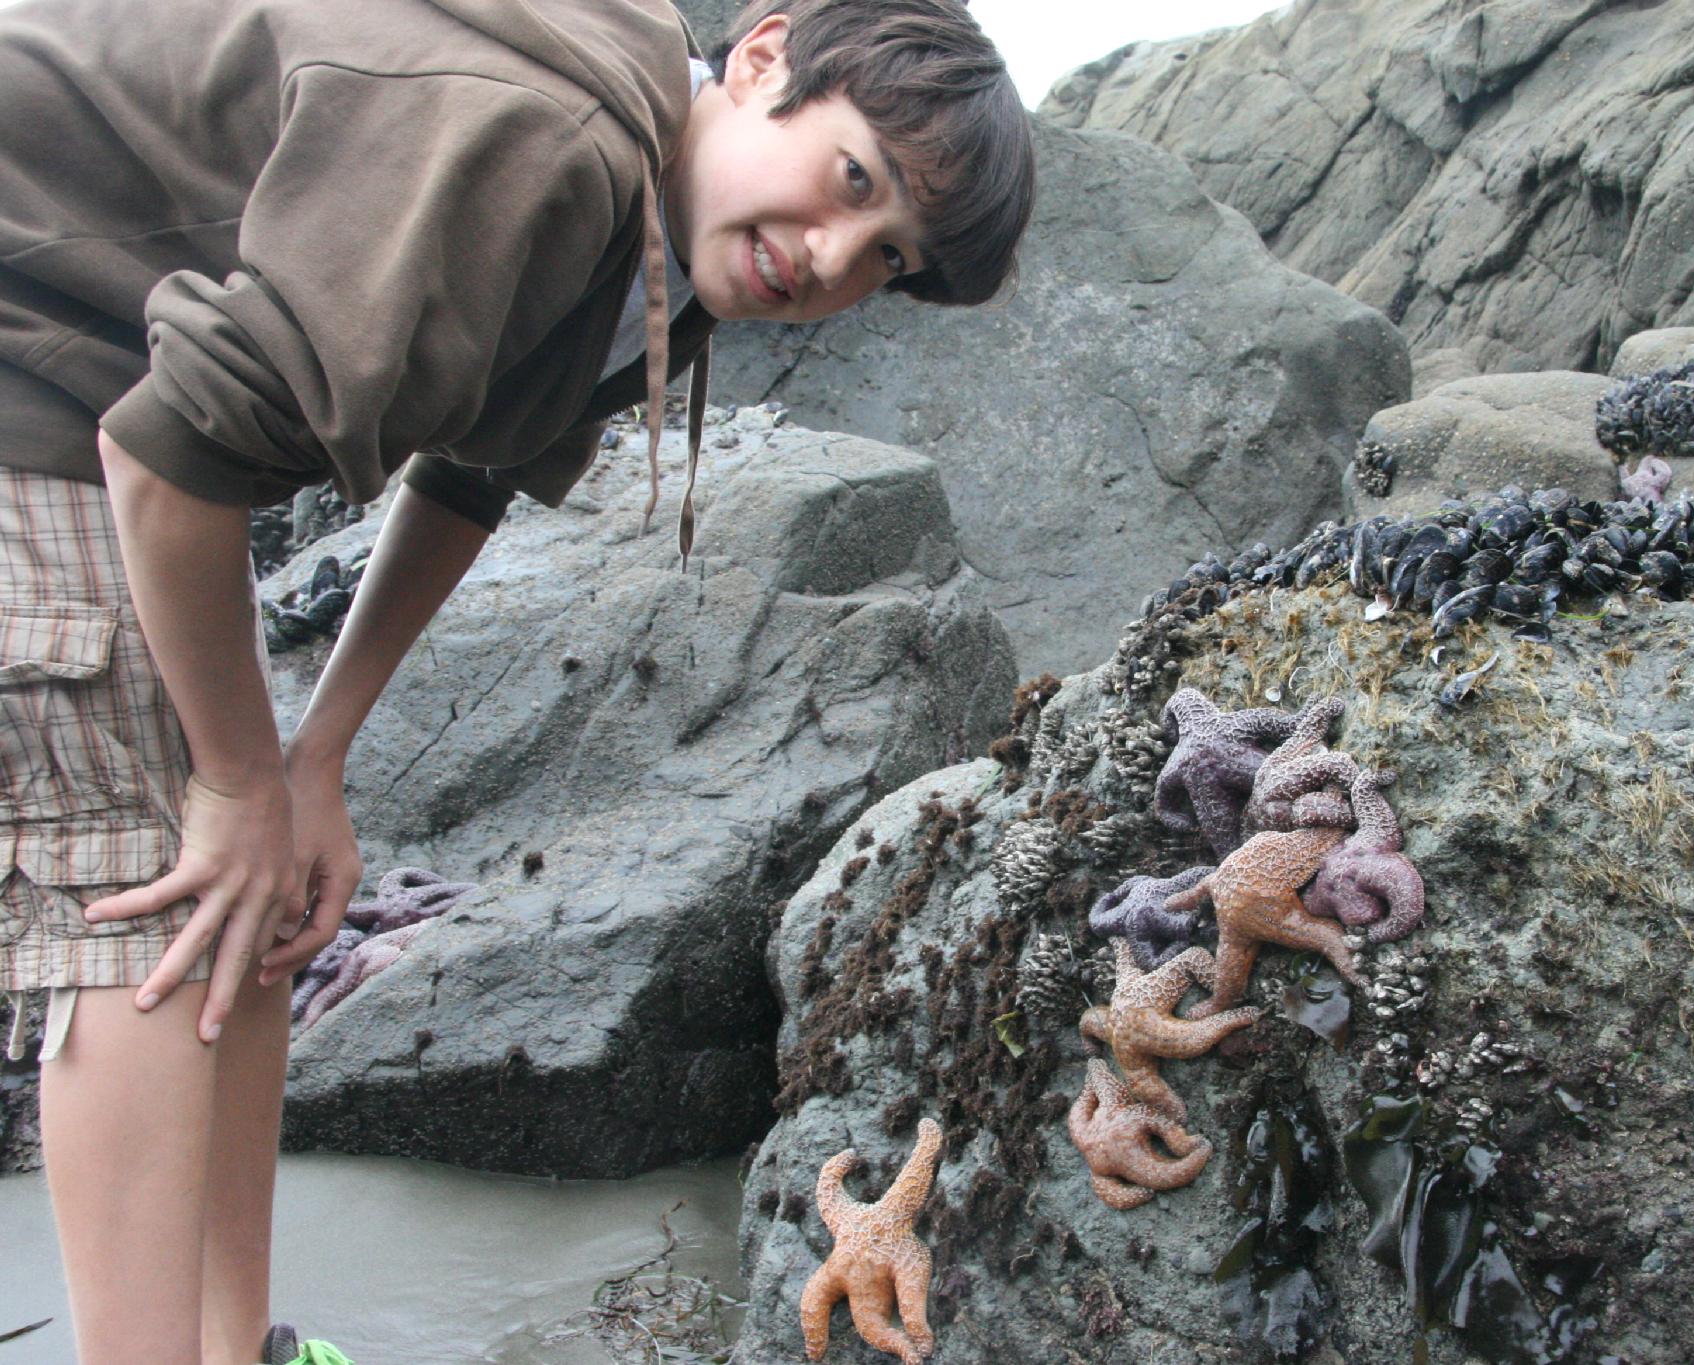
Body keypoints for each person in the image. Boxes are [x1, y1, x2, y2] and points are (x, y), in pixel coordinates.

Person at [0, 0, 1034, 1357]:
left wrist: (311, 763)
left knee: (262, 886)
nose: (834, 257)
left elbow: (471, 471)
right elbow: (169, 453)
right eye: (853, 179)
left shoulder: (677, 246)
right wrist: (239, 782)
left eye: (887, 257)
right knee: (152, 900)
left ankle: (238, 1342)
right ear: (764, 58)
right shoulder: (556, 148)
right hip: (41, 363)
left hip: (129, 395)